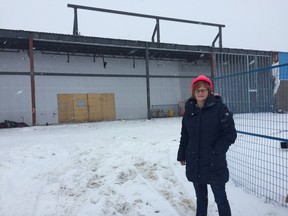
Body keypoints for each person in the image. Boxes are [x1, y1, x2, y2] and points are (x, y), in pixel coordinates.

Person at [177, 75, 237, 216]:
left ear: (209, 91)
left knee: (220, 198)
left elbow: (229, 134)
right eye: (197, 90)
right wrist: (181, 155)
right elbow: (185, 135)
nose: (201, 92)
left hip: (214, 163)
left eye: (204, 89)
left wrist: (216, 151)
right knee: (201, 198)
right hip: (195, 162)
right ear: (193, 92)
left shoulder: (220, 109)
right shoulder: (189, 112)